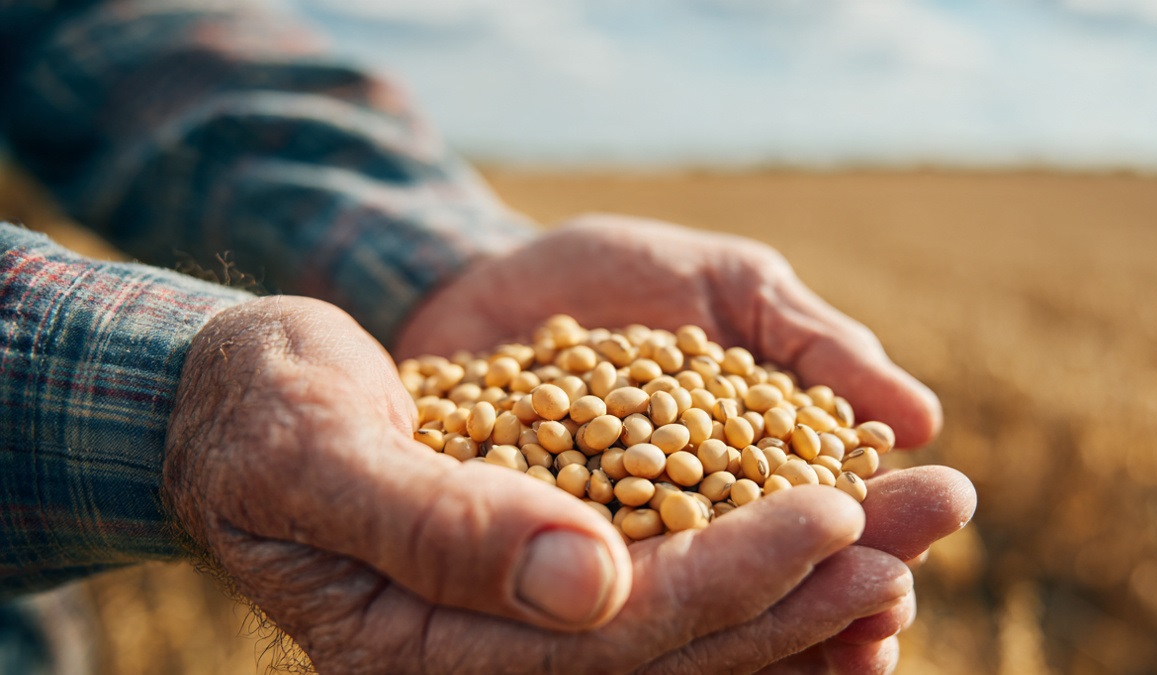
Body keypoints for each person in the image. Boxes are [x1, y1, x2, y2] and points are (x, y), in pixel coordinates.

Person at [0, 0, 976, 672]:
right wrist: (173, 399)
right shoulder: (565, 417)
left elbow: (96, 27)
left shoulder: (607, 402)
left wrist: (441, 267)